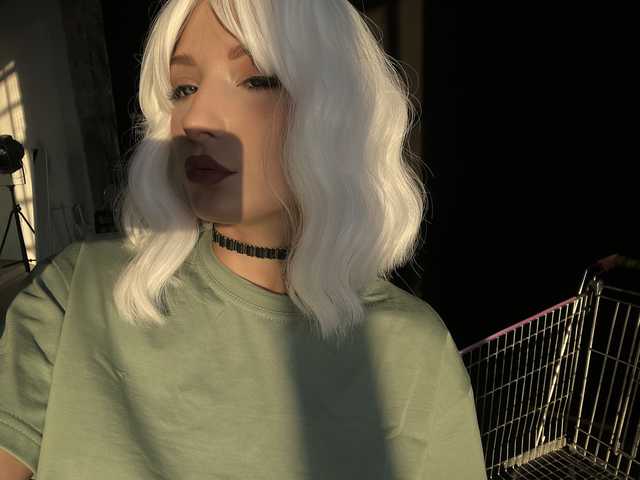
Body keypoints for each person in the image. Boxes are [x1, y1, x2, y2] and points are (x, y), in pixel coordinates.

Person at [0, 1, 487, 479]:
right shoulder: (76, 290)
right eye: (184, 88)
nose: (196, 118)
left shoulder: (413, 352)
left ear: (339, 106)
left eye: (256, 80)